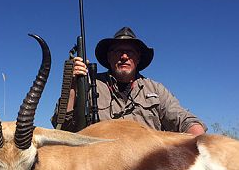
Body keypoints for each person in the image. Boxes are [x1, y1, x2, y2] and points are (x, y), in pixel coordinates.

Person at [52, 27, 207, 135]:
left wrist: (199, 140)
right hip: (100, 168)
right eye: (118, 51)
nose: (124, 56)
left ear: (138, 58)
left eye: (130, 52)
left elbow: (183, 119)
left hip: (147, 169)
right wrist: (72, 86)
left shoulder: (155, 89)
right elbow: (62, 127)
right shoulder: (90, 84)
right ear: (108, 57)